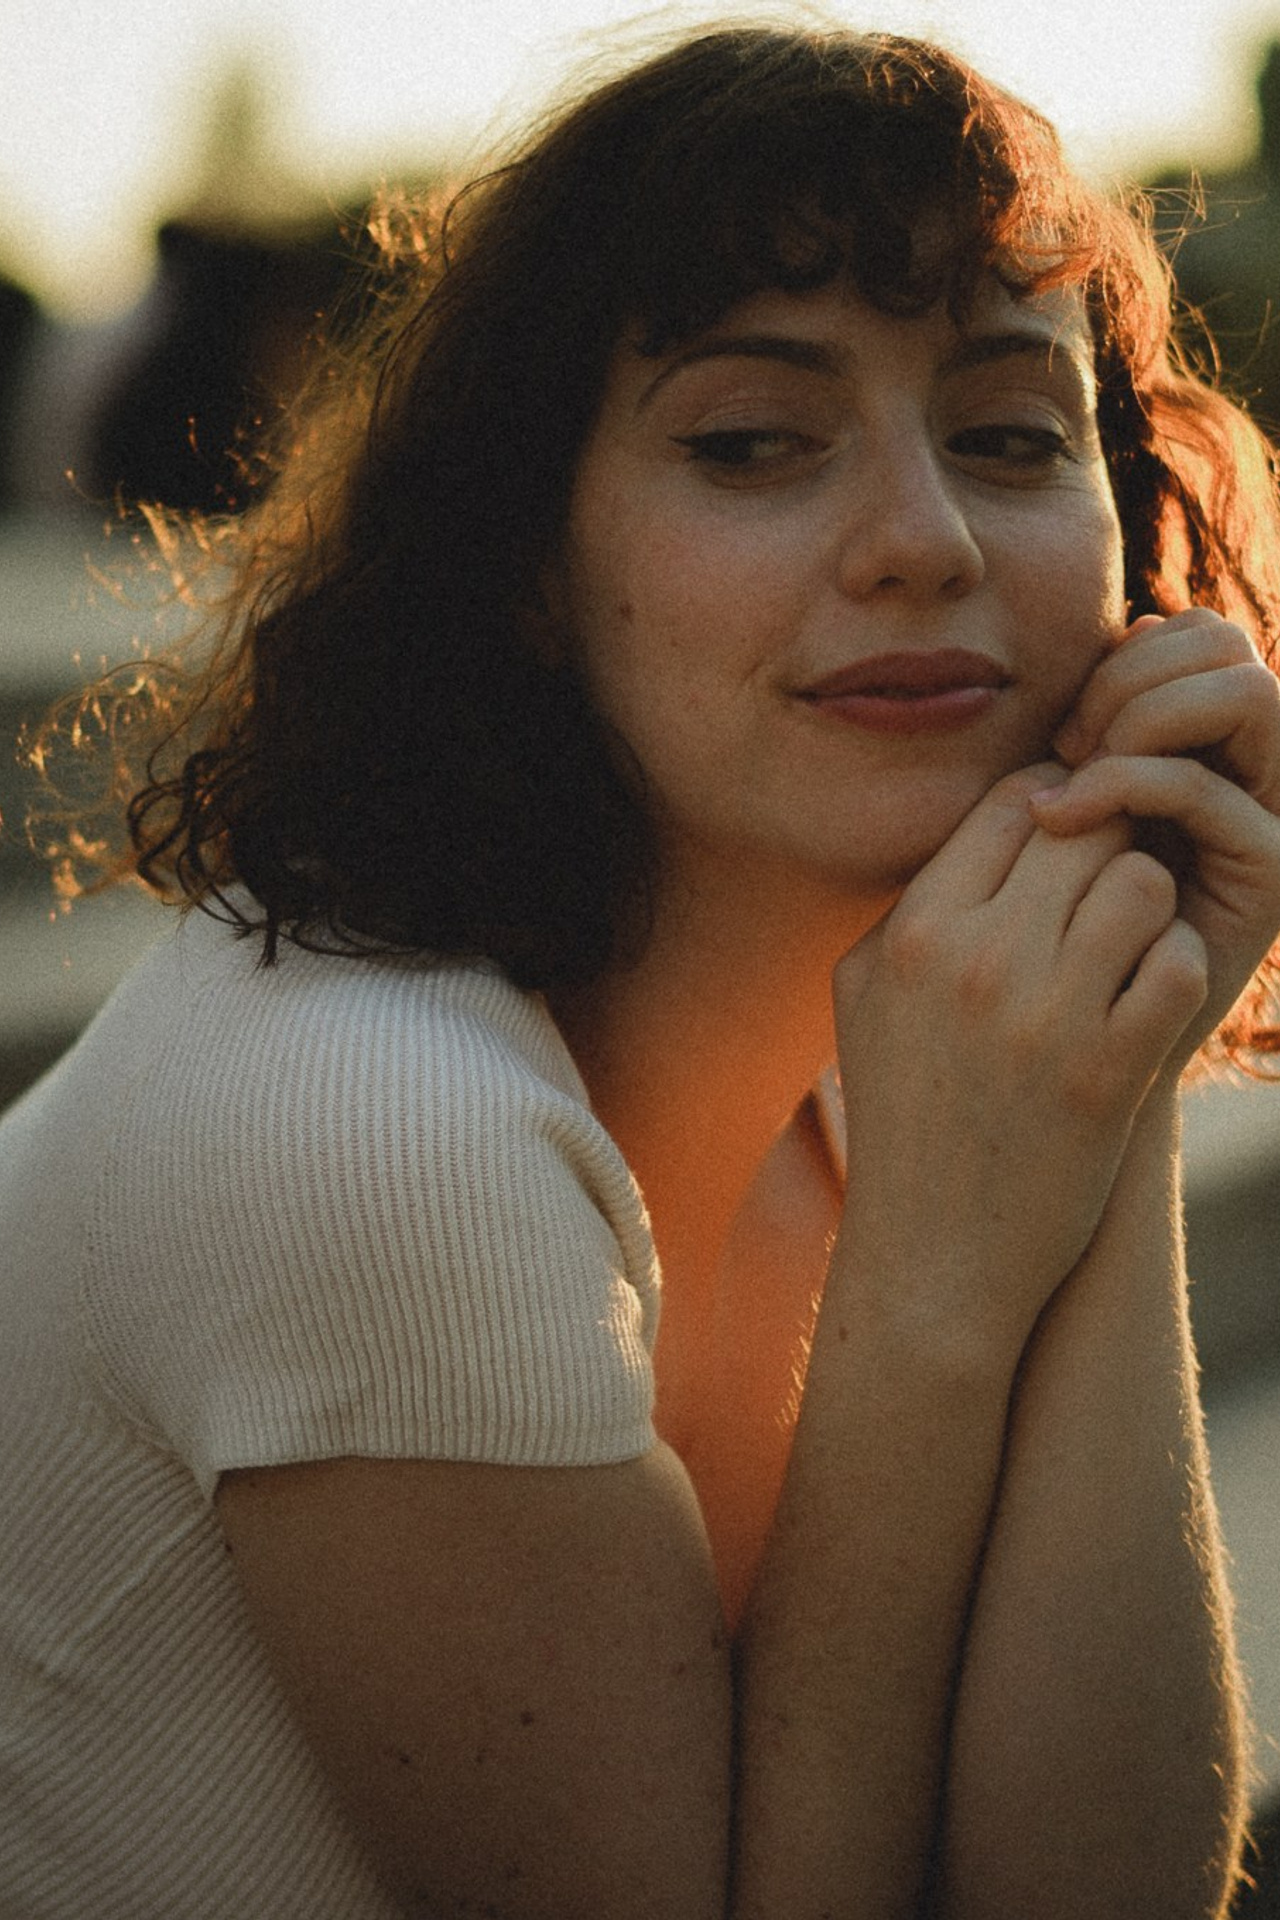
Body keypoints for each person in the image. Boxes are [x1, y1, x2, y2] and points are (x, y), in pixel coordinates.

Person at [3, 22, 1280, 1919]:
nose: (925, 544)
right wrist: (933, 1294)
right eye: (752, 443)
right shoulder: (374, 1128)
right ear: (518, 553)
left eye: (1012, 438)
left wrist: (1123, 1043)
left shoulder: (905, 1030)